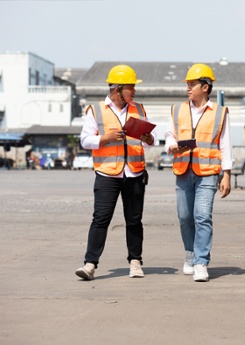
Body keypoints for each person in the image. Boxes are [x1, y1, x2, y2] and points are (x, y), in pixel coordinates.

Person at [75, 64, 157, 281]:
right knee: (100, 219)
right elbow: (84, 140)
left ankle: (135, 262)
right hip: (107, 174)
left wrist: (149, 139)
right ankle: (90, 264)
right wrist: (105, 138)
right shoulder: (97, 110)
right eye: (131, 87)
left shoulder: (138, 109)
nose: (135, 91)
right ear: (118, 89)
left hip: (134, 174)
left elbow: (150, 139)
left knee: (134, 220)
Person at [164, 63, 233, 282]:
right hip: (183, 170)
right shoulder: (177, 109)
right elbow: (169, 135)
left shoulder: (220, 113)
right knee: (185, 217)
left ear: (206, 87)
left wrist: (227, 174)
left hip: (208, 172)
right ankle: (190, 254)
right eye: (187, 84)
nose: (188, 88)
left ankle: (201, 262)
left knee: (202, 216)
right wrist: (171, 145)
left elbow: (225, 144)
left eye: (192, 84)